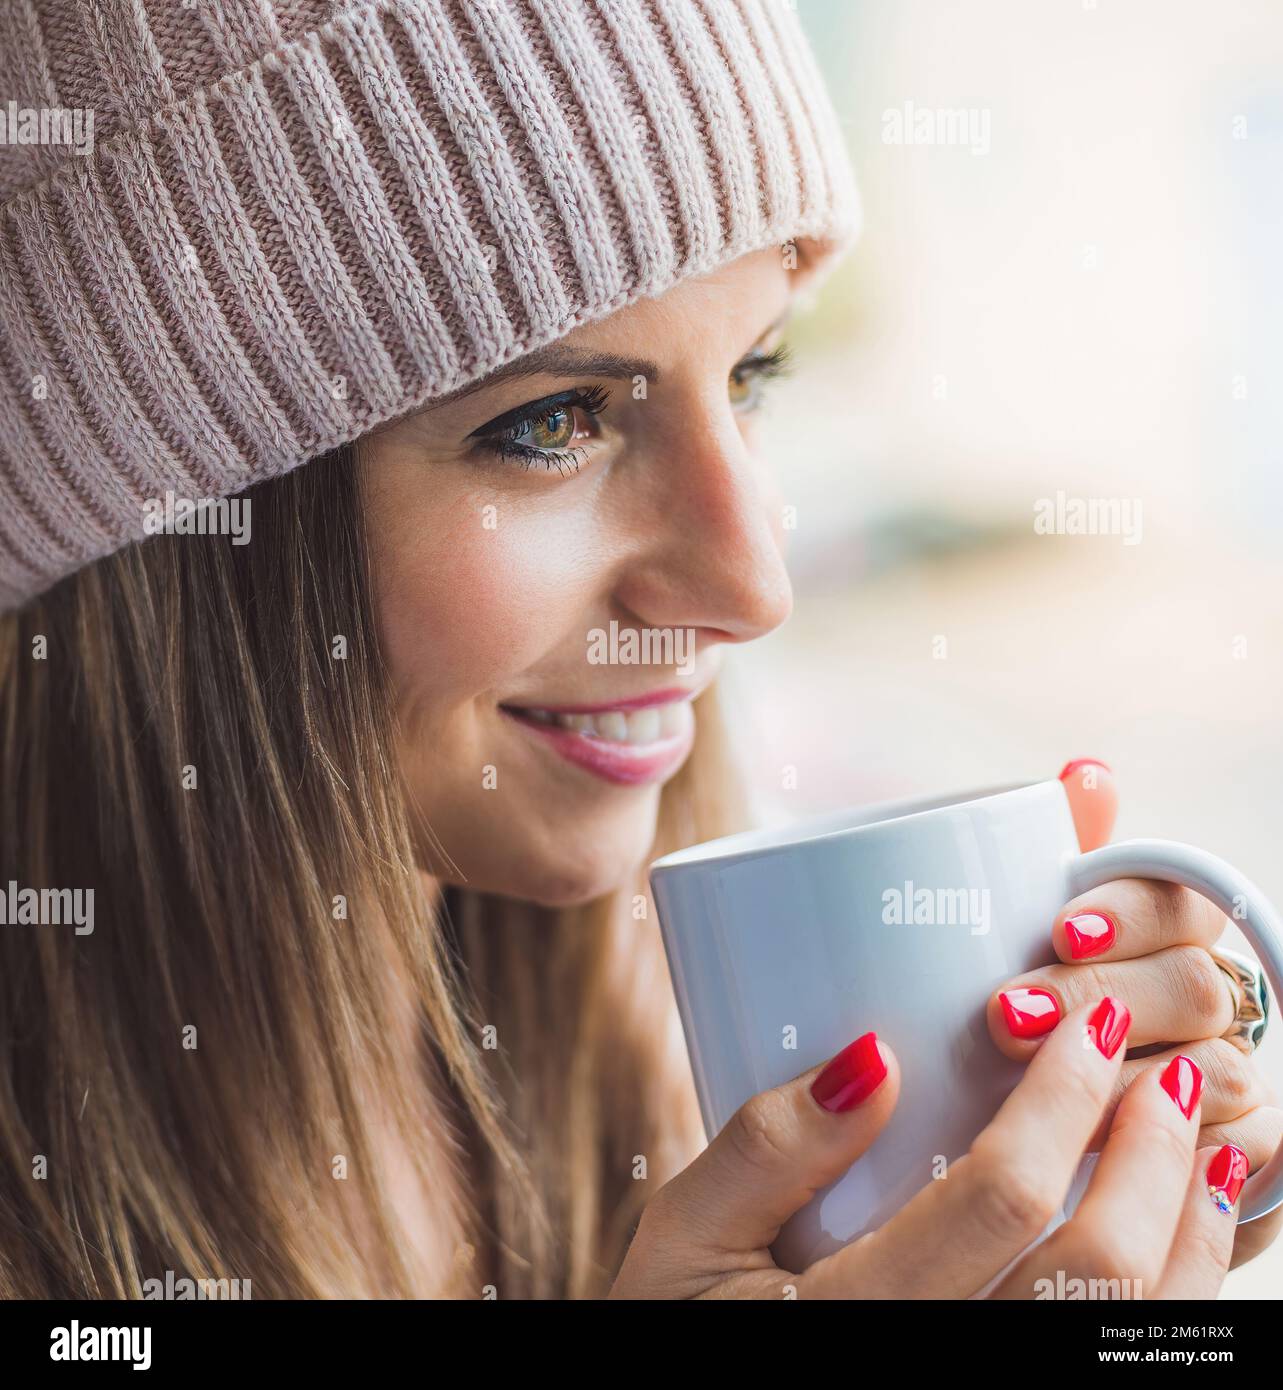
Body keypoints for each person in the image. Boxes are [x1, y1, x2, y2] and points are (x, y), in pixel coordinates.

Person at [0, 0, 1276, 1299]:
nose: (753, 588)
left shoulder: (674, 1053)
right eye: (555, 422)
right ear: (168, 538)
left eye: (753, 375)